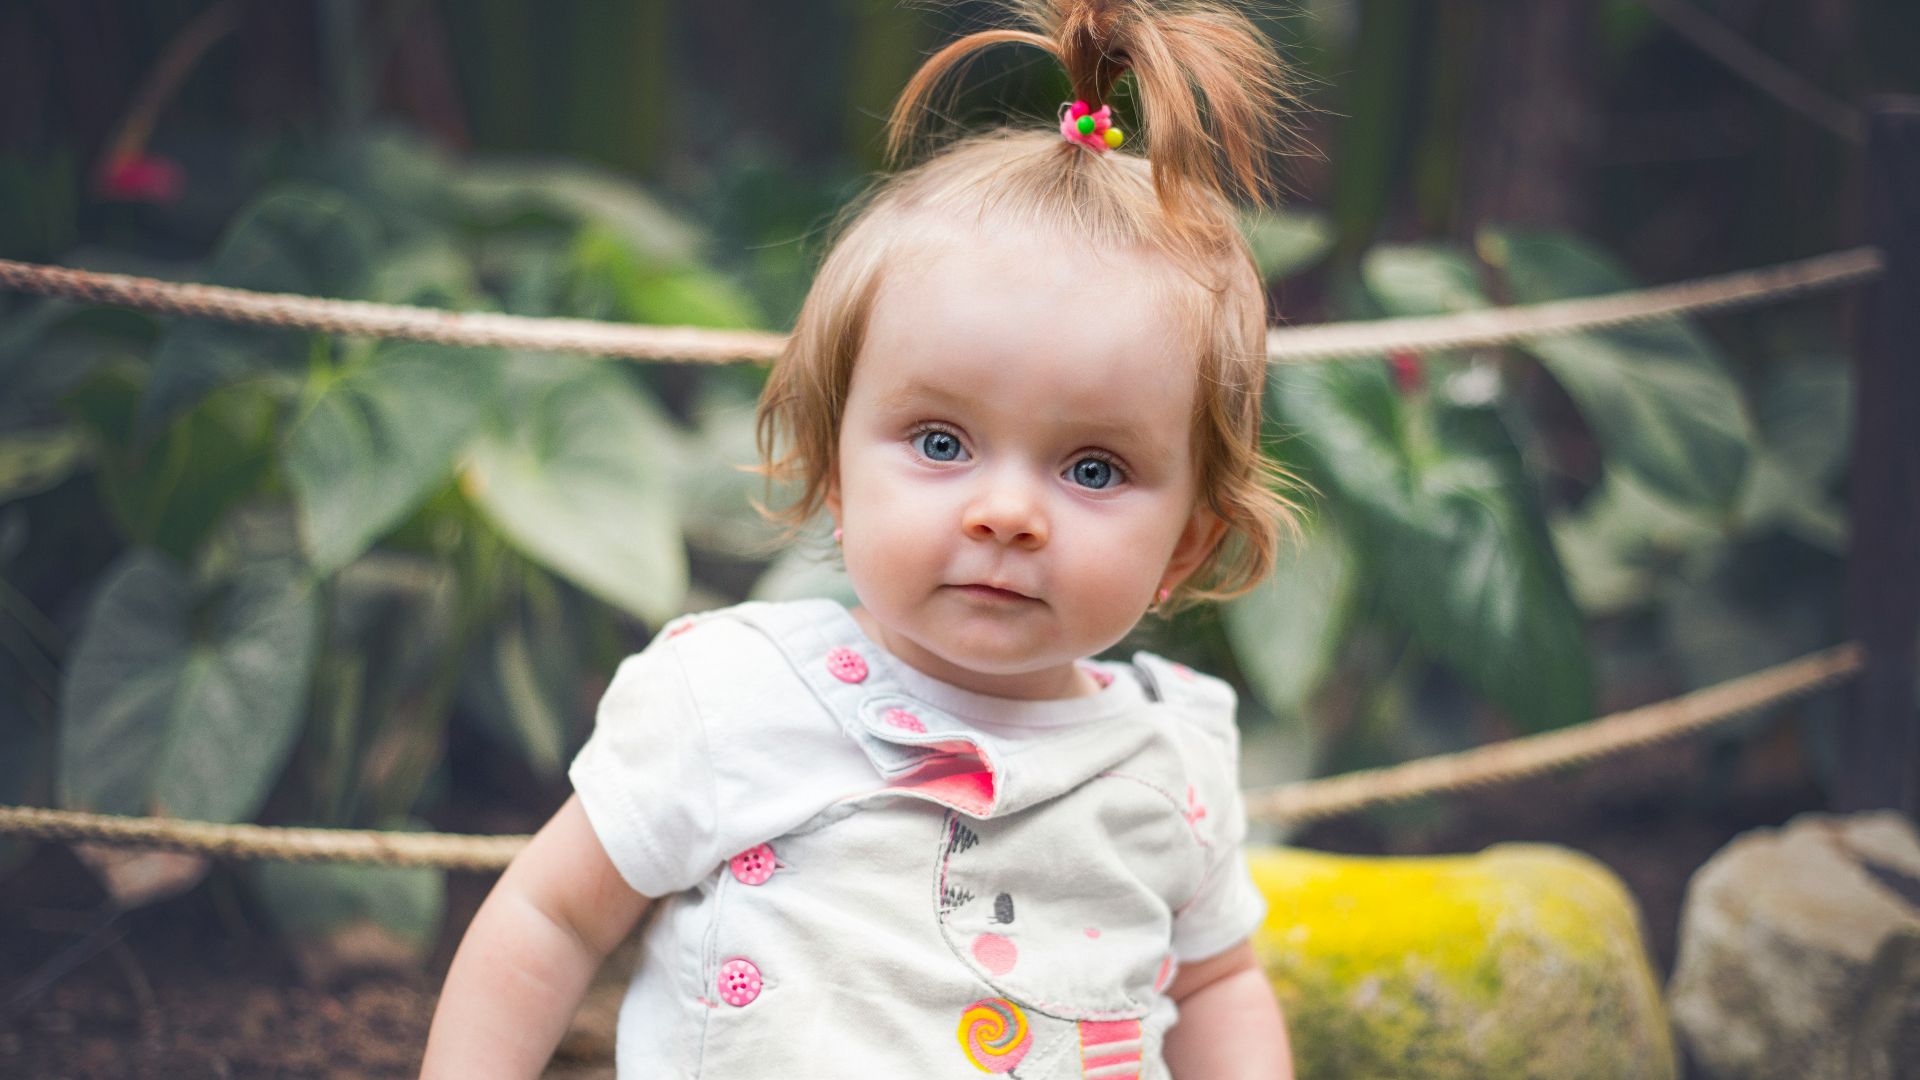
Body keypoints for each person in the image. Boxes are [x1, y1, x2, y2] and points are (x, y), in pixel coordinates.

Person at [423, 0, 1301, 1075]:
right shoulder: (733, 701)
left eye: (1092, 469)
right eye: (941, 441)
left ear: (1185, 545)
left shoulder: (1173, 764)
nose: (1006, 512)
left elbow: (1216, 982)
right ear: (834, 471)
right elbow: (550, 920)